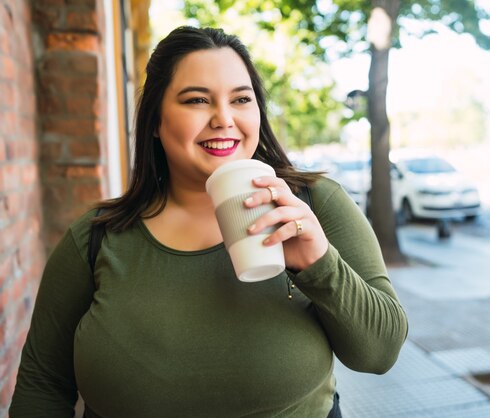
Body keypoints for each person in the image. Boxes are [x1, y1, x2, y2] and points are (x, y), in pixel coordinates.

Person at [10, 26, 408, 417]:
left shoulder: (314, 205)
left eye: (241, 99)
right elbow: (41, 385)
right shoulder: (95, 238)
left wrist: (319, 264)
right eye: (197, 100)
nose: (223, 118)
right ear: (154, 121)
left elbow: (380, 353)